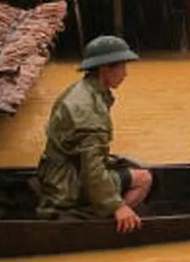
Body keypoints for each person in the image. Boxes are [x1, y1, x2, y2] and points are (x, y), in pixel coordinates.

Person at [35, 35, 153, 233]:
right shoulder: (89, 110)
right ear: (105, 69)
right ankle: (111, 221)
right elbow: (92, 169)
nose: (126, 74)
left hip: (56, 172)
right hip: (65, 184)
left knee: (130, 164)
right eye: (122, 67)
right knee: (144, 178)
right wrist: (117, 206)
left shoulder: (82, 90)